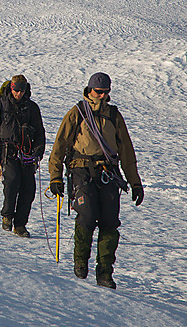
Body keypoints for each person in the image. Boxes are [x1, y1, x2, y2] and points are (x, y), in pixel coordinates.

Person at [48, 72, 144, 289]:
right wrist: (55, 177)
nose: (101, 96)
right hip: (81, 170)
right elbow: (59, 147)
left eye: (105, 92)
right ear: (89, 90)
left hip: (108, 171)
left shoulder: (114, 116)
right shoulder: (77, 113)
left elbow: (126, 151)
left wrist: (135, 181)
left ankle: (105, 272)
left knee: (110, 222)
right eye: (97, 92)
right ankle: (81, 261)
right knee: (88, 216)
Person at [0, 75, 46, 238]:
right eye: (16, 90)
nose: (19, 93)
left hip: (27, 154)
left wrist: (39, 150)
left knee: (28, 189)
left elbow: (39, 132)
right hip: (7, 151)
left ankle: (20, 224)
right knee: (12, 182)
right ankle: (7, 216)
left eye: (22, 90)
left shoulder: (32, 108)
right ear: (11, 88)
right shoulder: (0, 106)